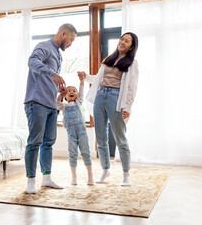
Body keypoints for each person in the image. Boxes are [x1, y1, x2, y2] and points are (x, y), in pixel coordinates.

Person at [78, 32, 139, 186]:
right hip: (100, 96)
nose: (122, 42)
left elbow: (132, 88)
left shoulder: (132, 63)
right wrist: (85, 76)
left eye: (127, 41)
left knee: (120, 138)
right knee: (101, 138)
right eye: (122, 39)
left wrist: (128, 107)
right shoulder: (108, 60)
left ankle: (126, 175)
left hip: (116, 98)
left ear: (131, 46)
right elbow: (98, 79)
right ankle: (106, 169)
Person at [24, 23, 77, 194]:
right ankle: (31, 181)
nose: (71, 44)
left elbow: (49, 79)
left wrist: (59, 89)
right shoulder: (44, 46)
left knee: (48, 143)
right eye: (71, 40)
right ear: (63, 34)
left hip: (51, 104)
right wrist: (53, 74)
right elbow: (32, 61)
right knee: (34, 142)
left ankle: (46, 178)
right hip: (36, 102)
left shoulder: (58, 55)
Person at [57, 75, 94, 186]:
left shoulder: (78, 103)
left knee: (85, 152)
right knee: (72, 154)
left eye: (74, 91)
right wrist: (61, 94)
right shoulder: (63, 106)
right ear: (65, 95)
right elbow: (56, 103)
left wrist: (82, 81)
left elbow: (82, 92)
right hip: (71, 134)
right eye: (69, 91)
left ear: (77, 95)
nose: (72, 92)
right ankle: (74, 176)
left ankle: (90, 175)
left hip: (82, 132)